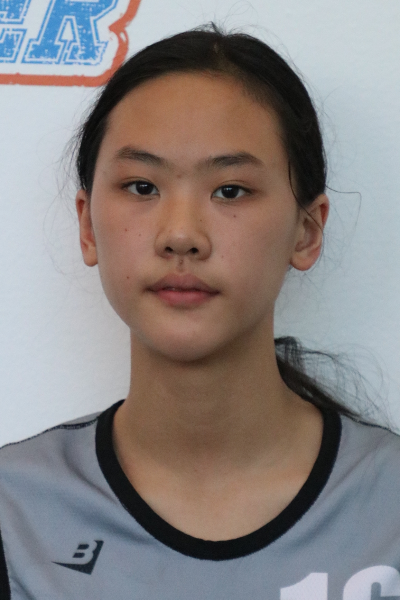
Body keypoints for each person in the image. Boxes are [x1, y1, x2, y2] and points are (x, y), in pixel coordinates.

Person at [1, 24, 399, 600]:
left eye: (230, 191)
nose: (181, 235)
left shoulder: (387, 505)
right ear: (87, 226)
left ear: (307, 231)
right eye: (142, 187)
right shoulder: (16, 511)